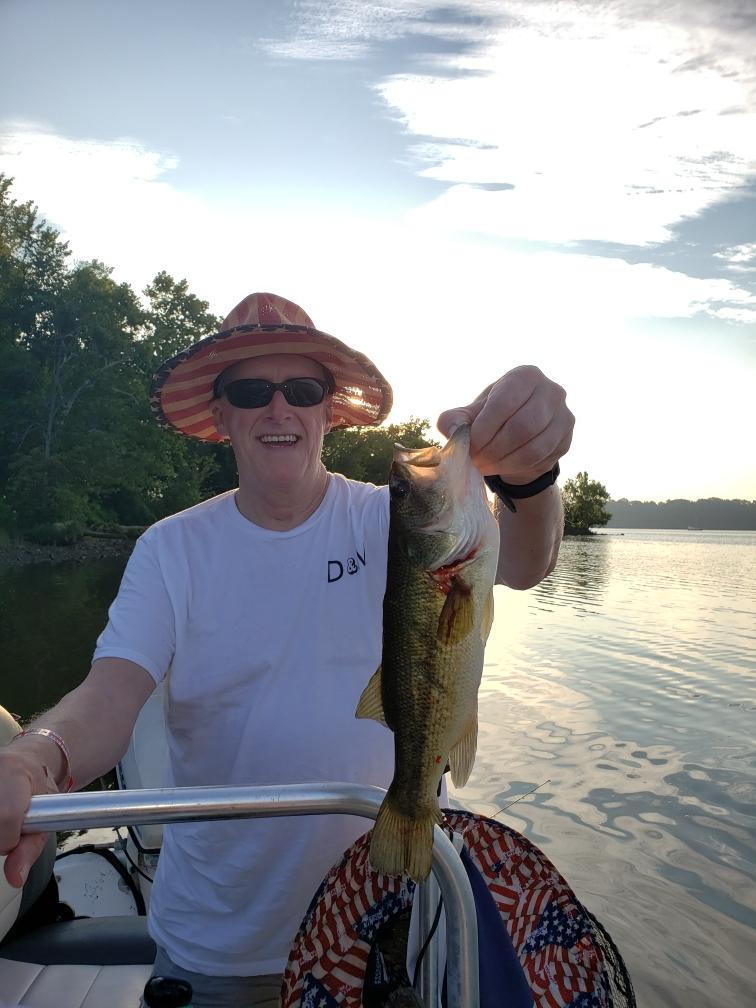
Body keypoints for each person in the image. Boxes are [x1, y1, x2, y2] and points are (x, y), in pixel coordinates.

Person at [0, 292, 574, 1007]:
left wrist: (532, 473)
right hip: (217, 948)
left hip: (385, 931)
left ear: (329, 410)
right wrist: (37, 753)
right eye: (251, 391)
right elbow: (113, 693)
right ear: (222, 416)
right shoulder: (170, 550)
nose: (279, 410)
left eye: (302, 390)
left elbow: (525, 562)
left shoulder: (393, 517)